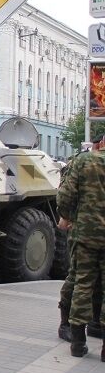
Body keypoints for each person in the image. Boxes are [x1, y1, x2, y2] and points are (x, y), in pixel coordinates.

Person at [57, 132, 105, 358]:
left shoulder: (84, 161)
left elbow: (66, 194)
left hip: (85, 234)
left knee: (82, 282)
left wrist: (66, 216)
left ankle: (77, 341)